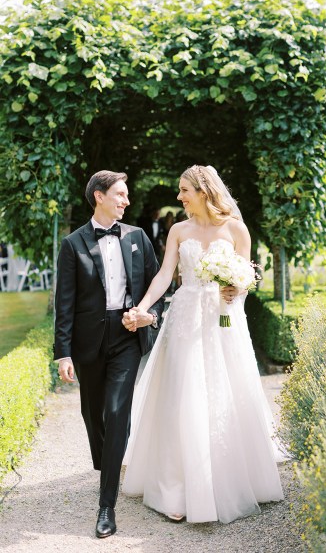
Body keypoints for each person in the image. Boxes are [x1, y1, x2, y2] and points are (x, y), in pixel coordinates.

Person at [121, 165, 284, 524]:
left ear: (204, 190)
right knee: (185, 391)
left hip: (225, 319)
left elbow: (244, 275)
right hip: (186, 317)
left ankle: (232, 480)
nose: (179, 197)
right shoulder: (179, 230)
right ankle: (177, 488)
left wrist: (236, 287)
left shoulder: (236, 229)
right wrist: (143, 306)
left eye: (184, 190)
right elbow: (167, 274)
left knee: (228, 390)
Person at [54, 170, 164, 538]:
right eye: (120, 194)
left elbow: (156, 286)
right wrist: (63, 353)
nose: (126, 201)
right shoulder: (72, 244)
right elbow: (64, 303)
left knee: (117, 412)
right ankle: (109, 460)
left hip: (127, 337)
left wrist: (150, 315)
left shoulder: (137, 237)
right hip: (88, 343)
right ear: (99, 196)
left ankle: (106, 507)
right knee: (93, 414)